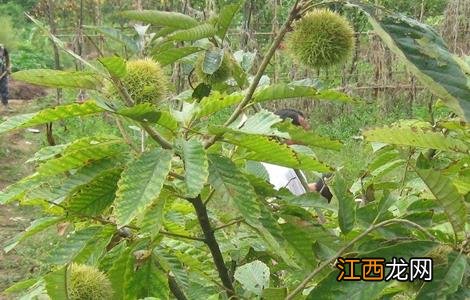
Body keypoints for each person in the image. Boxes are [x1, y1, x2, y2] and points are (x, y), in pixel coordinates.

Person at [261, 108, 333, 201]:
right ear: (286, 135)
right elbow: (295, 207)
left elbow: (296, 193)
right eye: (305, 133)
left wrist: (320, 187)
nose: (309, 139)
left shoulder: (268, 162)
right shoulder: (284, 171)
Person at [0, 44, 12, 112]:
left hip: (2, 72)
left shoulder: (3, 48)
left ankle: (6, 105)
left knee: (4, 88)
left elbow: (7, 57)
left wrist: (8, 67)